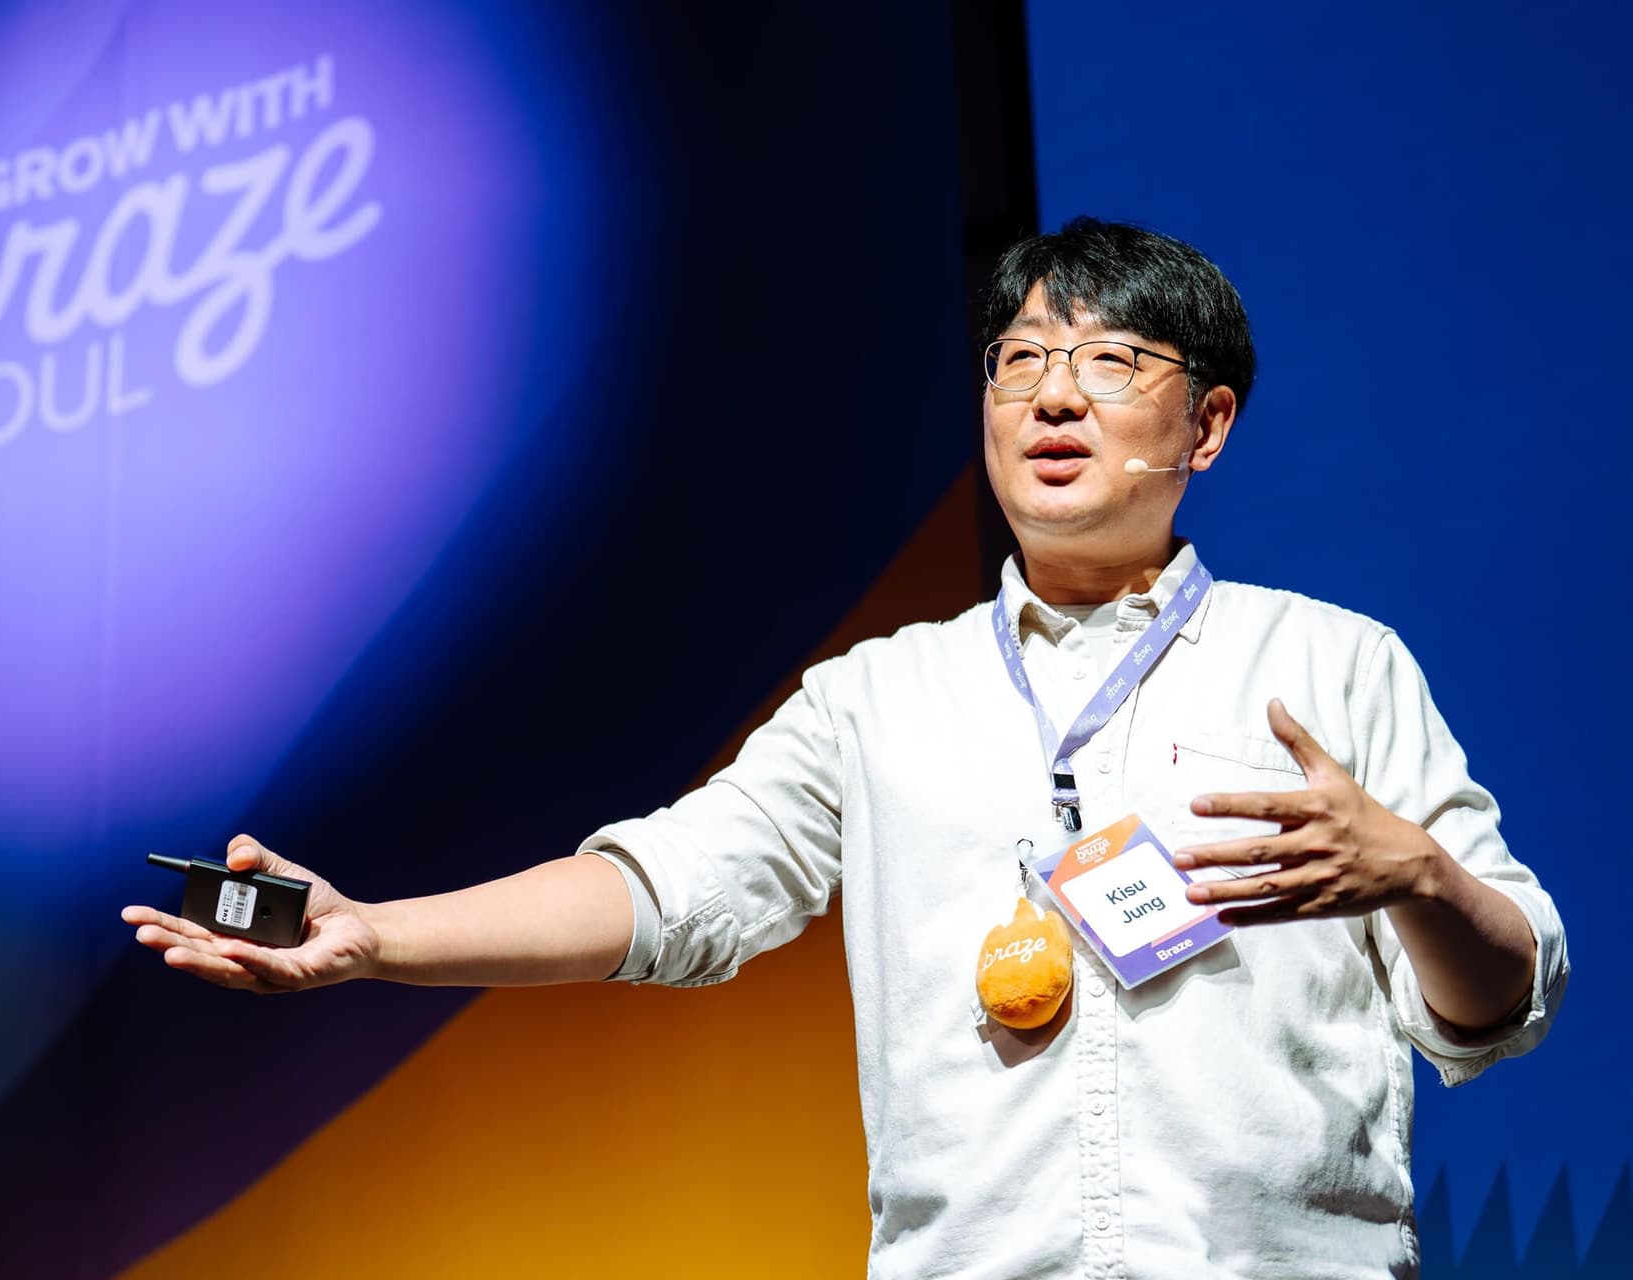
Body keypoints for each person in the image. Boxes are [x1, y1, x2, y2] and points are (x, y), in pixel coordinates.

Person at [121, 218, 1566, 1279]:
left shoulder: (1329, 663)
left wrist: (1418, 876)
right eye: (1020, 364)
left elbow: (1502, 1007)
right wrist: (377, 935)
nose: (1054, 397)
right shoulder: (879, 695)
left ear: (1209, 426)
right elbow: (669, 889)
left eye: (1111, 361)